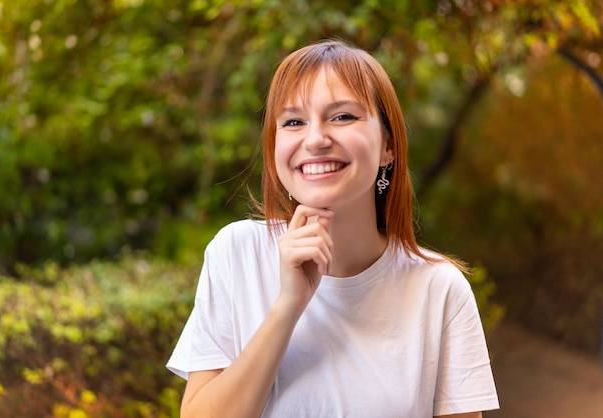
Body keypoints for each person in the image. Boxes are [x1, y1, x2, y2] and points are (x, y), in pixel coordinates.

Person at [167, 40, 499, 418]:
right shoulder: (235, 254)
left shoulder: (438, 290)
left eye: (342, 117)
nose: (316, 139)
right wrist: (287, 307)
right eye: (293, 122)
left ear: (388, 145)